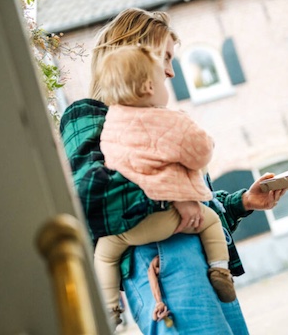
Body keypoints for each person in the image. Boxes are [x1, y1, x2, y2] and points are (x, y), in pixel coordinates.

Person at [59, 7, 285, 335]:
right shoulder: (89, 115)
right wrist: (171, 198)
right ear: (134, 56)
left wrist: (244, 201)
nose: (170, 72)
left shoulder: (157, 119)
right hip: (162, 264)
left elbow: (190, 198)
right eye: (164, 58)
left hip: (202, 263)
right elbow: (90, 195)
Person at [93, 44, 237, 325]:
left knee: (105, 254)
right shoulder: (168, 120)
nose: (167, 81)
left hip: (129, 227)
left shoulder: (110, 123)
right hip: (170, 217)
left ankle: (110, 309)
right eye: (162, 77)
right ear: (148, 86)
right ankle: (220, 269)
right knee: (210, 222)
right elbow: (200, 153)